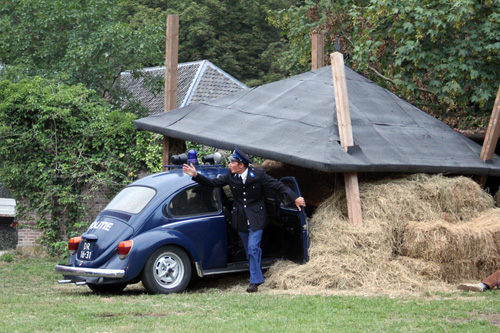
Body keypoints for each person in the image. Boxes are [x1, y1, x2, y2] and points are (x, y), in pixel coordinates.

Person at [182, 147, 306, 293]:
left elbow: (278, 185)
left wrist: (295, 197)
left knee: (253, 248)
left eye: (232, 163)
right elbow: (212, 183)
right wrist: (196, 175)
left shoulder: (258, 174)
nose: (229, 165)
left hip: (257, 218)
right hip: (240, 218)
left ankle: (255, 282)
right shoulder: (231, 175)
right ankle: (257, 275)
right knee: (249, 251)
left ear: (241, 165)